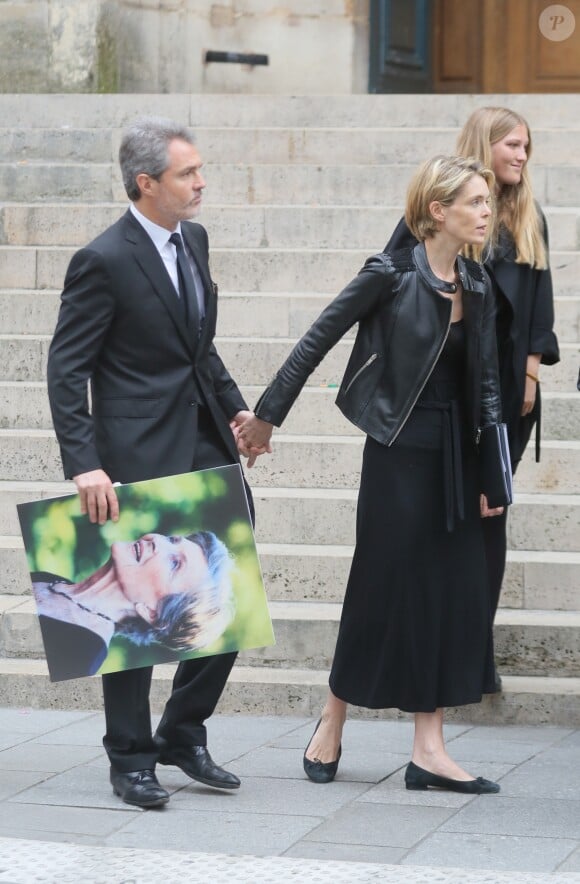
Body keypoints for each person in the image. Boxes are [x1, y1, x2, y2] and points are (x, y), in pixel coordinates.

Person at [238, 155, 504, 794]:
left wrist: (493, 473)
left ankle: (429, 749)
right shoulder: (388, 275)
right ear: (437, 212)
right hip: (397, 449)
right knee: (379, 588)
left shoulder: (480, 283)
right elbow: (316, 340)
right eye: (474, 201)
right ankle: (333, 713)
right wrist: (268, 417)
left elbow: (488, 385)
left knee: (441, 593)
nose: (487, 211)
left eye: (487, 201)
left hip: (455, 454)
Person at [46, 117, 257, 808]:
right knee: (138, 616)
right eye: (186, 174)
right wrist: (84, 462)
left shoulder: (192, 239)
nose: (200, 183)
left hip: (203, 436)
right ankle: (130, 757)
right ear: (146, 183)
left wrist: (236, 410)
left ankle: (184, 734)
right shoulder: (102, 260)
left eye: (198, 170)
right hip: (134, 452)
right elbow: (66, 366)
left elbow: (200, 349)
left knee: (231, 589)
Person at [384, 108, 560, 666]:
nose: (522, 155)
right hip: (448, 386)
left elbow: (541, 302)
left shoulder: (530, 217)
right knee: (446, 520)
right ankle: (434, 643)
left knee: (491, 513)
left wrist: (531, 372)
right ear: (486, 144)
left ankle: (473, 652)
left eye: (527, 146)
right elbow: (392, 274)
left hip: (507, 390)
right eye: (512, 144)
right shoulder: (444, 210)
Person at [32, 531, 234, 682]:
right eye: (172, 539)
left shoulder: (83, 654)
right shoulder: (46, 579)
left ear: (153, 612)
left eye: (174, 564)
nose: (157, 541)